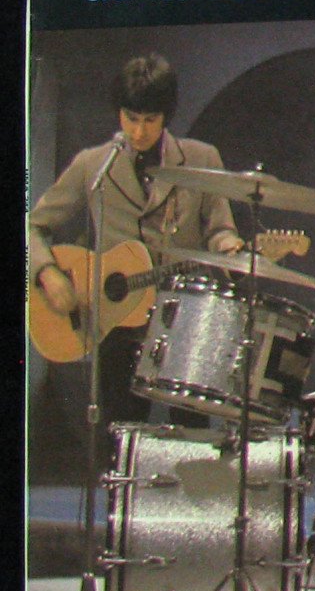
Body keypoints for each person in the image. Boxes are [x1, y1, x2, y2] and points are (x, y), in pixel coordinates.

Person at [28, 53, 244, 431]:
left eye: (150, 120)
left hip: (184, 320)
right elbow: (32, 226)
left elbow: (219, 230)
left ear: (166, 117)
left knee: (191, 436)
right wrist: (47, 272)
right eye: (130, 118)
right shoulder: (93, 165)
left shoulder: (201, 158)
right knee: (119, 436)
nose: (139, 132)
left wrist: (229, 249)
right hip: (117, 324)